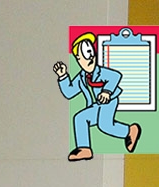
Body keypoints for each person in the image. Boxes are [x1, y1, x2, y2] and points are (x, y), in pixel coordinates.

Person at [54, 32, 141, 161]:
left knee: (104, 124)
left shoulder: (101, 72)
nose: (90, 58)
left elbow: (115, 76)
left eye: (91, 53)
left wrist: (107, 92)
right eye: (85, 55)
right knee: (79, 118)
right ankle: (84, 148)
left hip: (109, 101)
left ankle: (129, 131)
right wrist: (63, 76)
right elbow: (69, 92)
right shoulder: (81, 77)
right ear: (78, 59)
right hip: (95, 105)